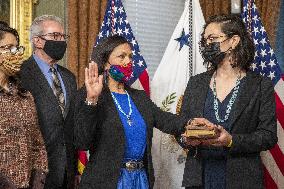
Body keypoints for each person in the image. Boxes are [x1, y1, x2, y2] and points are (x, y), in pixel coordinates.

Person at [73, 35, 205, 189]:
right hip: (106, 181)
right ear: (106, 63)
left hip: (140, 180)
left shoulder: (139, 97)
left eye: (130, 56)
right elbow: (82, 141)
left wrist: (191, 123)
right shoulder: (90, 95)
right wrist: (92, 100)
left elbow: (166, 120)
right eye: (121, 56)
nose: (128, 61)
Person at [179, 14, 277, 189]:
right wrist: (187, 139)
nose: (207, 44)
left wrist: (231, 140)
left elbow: (268, 136)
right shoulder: (196, 83)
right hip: (200, 178)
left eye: (213, 38)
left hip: (243, 179)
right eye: (205, 40)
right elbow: (181, 128)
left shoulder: (261, 85)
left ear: (234, 41)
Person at [20, 15, 77, 189]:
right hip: (35, 174)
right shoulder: (20, 74)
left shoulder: (69, 78)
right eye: (55, 36)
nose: (61, 41)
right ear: (37, 40)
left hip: (67, 172)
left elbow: (71, 124)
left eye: (63, 37)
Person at [0, 21, 48, 189]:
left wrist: (37, 183)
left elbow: (38, 146)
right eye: (9, 48)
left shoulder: (25, 96)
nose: (16, 54)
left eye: (17, 48)